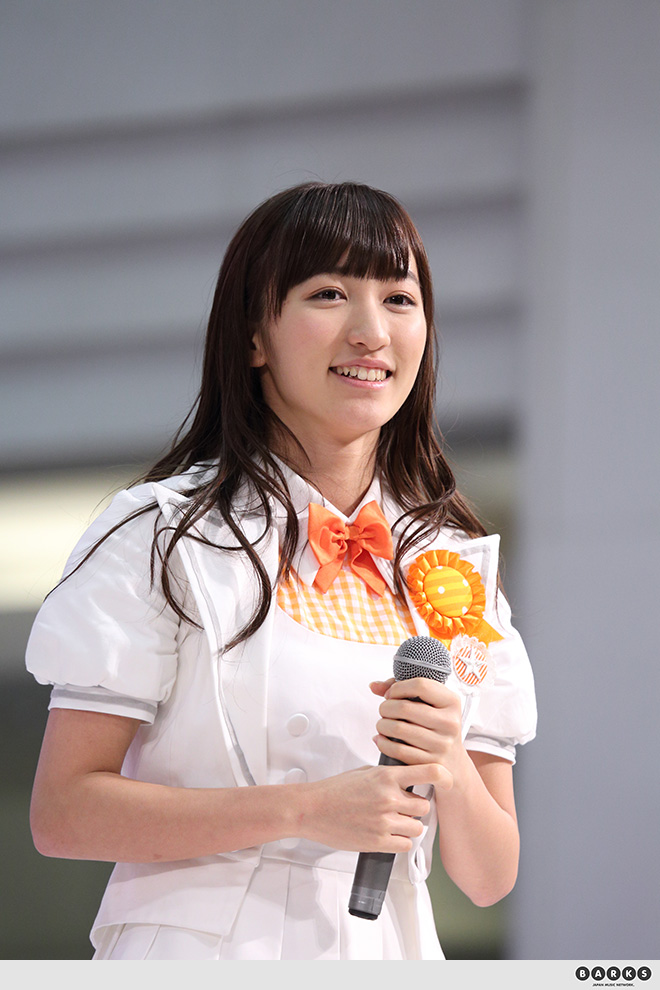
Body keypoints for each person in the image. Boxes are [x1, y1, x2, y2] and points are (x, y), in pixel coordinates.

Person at [26, 181, 536, 961]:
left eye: (400, 300)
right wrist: (304, 810)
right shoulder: (163, 534)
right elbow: (63, 813)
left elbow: (490, 877)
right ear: (254, 337)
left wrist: (452, 770)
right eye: (329, 293)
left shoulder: (452, 570)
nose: (371, 332)